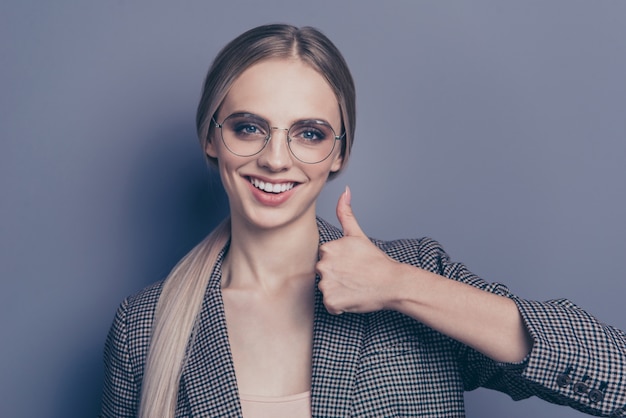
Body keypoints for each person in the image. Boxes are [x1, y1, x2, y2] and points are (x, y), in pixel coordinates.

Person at [100, 24, 626, 418]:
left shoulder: (418, 274)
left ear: (339, 153)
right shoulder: (143, 326)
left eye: (308, 134)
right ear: (211, 138)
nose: (276, 159)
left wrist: (401, 287)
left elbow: (616, 375)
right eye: (248, 127)